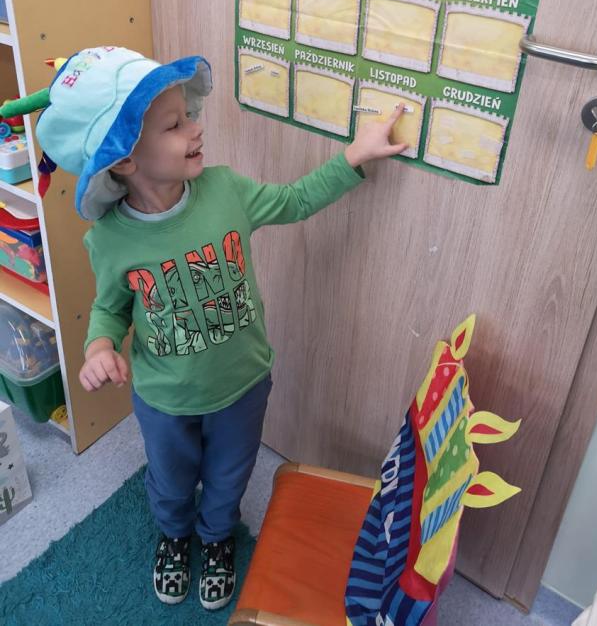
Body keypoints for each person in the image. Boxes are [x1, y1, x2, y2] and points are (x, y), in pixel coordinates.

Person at [6, 46, 407, 610]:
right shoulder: (112, 239)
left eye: (189, 115)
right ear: (124, 159)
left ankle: (218, 538)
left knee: (229, 475)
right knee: (171, 479)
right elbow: (110, 308)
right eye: (174, 125)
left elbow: (294, 201)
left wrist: (354, 157)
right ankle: (174, 535)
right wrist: (98, 347)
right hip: (164, 398)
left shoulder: (226, 191)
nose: (196, 128)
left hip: (243, 384)